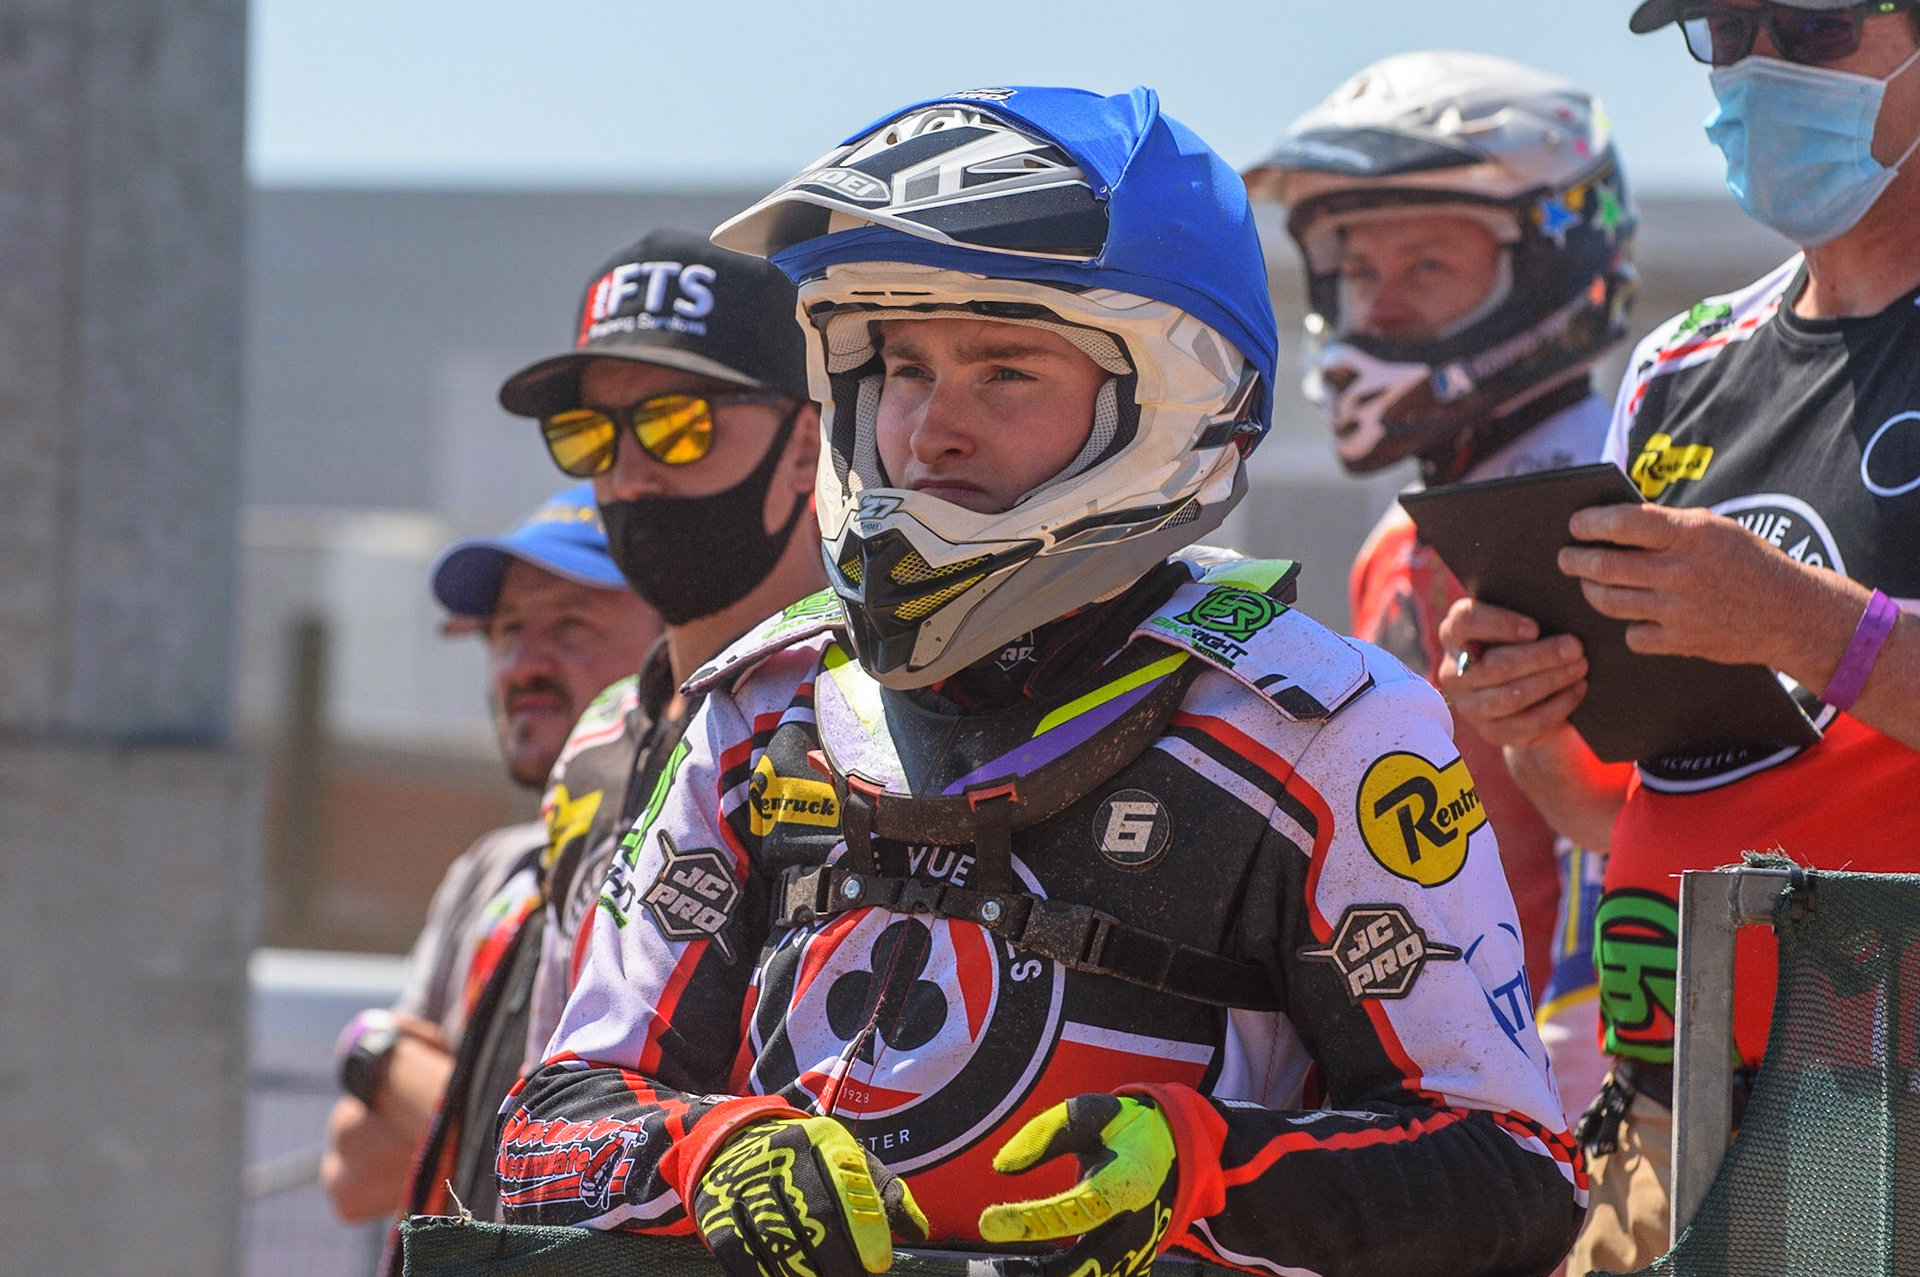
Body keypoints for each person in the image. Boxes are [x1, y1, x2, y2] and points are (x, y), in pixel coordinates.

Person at [495, 86, 1582, 1277]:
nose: (927, 431)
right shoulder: (764, 708)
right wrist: (706, 1153)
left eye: (1004, 370)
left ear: (1169, 401)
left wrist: (1212, 1171)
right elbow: (548, 1126)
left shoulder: (1323, 728)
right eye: (903, 367)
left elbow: (1515, 1170)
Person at [1437, 3, 1920, 1271]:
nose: (1760, 71)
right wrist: (1531, 714)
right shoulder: (1677, 365)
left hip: (1892, 1132)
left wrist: (1806, 621)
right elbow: (1628, 806)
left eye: (1810, 28)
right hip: (1661, 1115)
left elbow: (1814, 643)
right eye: (1728, 31)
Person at [390, 229, 827, 1228]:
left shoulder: (867, 720)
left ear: (806, 441)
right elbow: (553, 1075)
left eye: (679, 425)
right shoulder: (598, 738)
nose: (630, 472)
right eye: (595, 435)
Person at [1242, 50, 1638, 1123]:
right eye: (1359, 270)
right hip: (1464, 1073)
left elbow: (1621, 838)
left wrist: (1575, 1092)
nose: (1383, 303)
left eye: (1427, 268)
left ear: (1551, 266)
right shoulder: (1413, 526)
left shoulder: (1601, 497)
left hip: (1575, 1090)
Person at [321, 484, 661, 1222]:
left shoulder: (700, 858)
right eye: (505, 631)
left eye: (570, 627)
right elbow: (353, 1173)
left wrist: (378, 1058)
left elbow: (588, 1167)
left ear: (678, 642)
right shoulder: (494, 870)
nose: (520, 665)